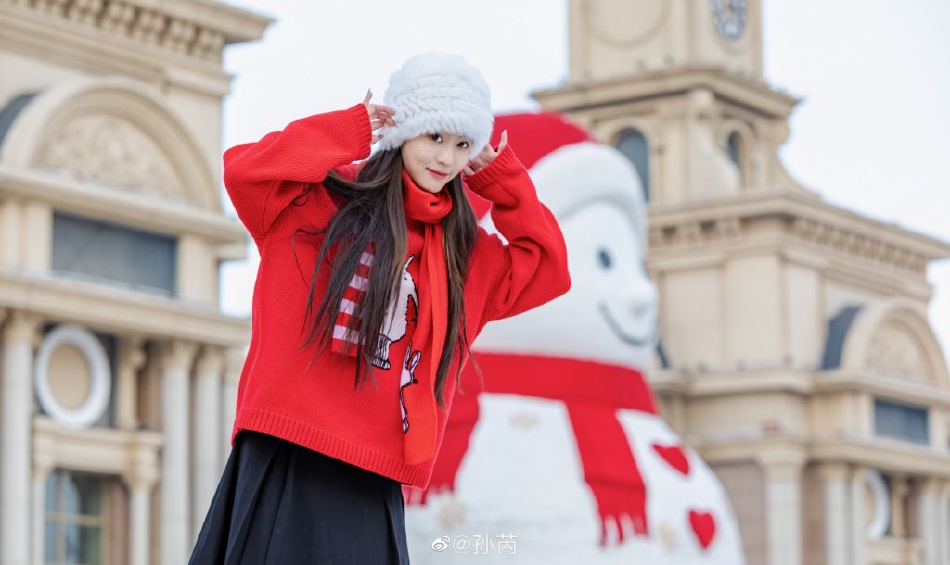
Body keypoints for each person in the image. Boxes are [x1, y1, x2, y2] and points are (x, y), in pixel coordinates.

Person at [188, 53, 570, 564]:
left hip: (373, 478)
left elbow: (548, 267)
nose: (447, 159)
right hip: (290, 454)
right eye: (434, 136)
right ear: (403, 130)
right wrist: (346, 130)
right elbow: (246, 172)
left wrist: (502, 181)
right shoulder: (316, 207)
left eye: (462, 144)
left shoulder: (464, 255)